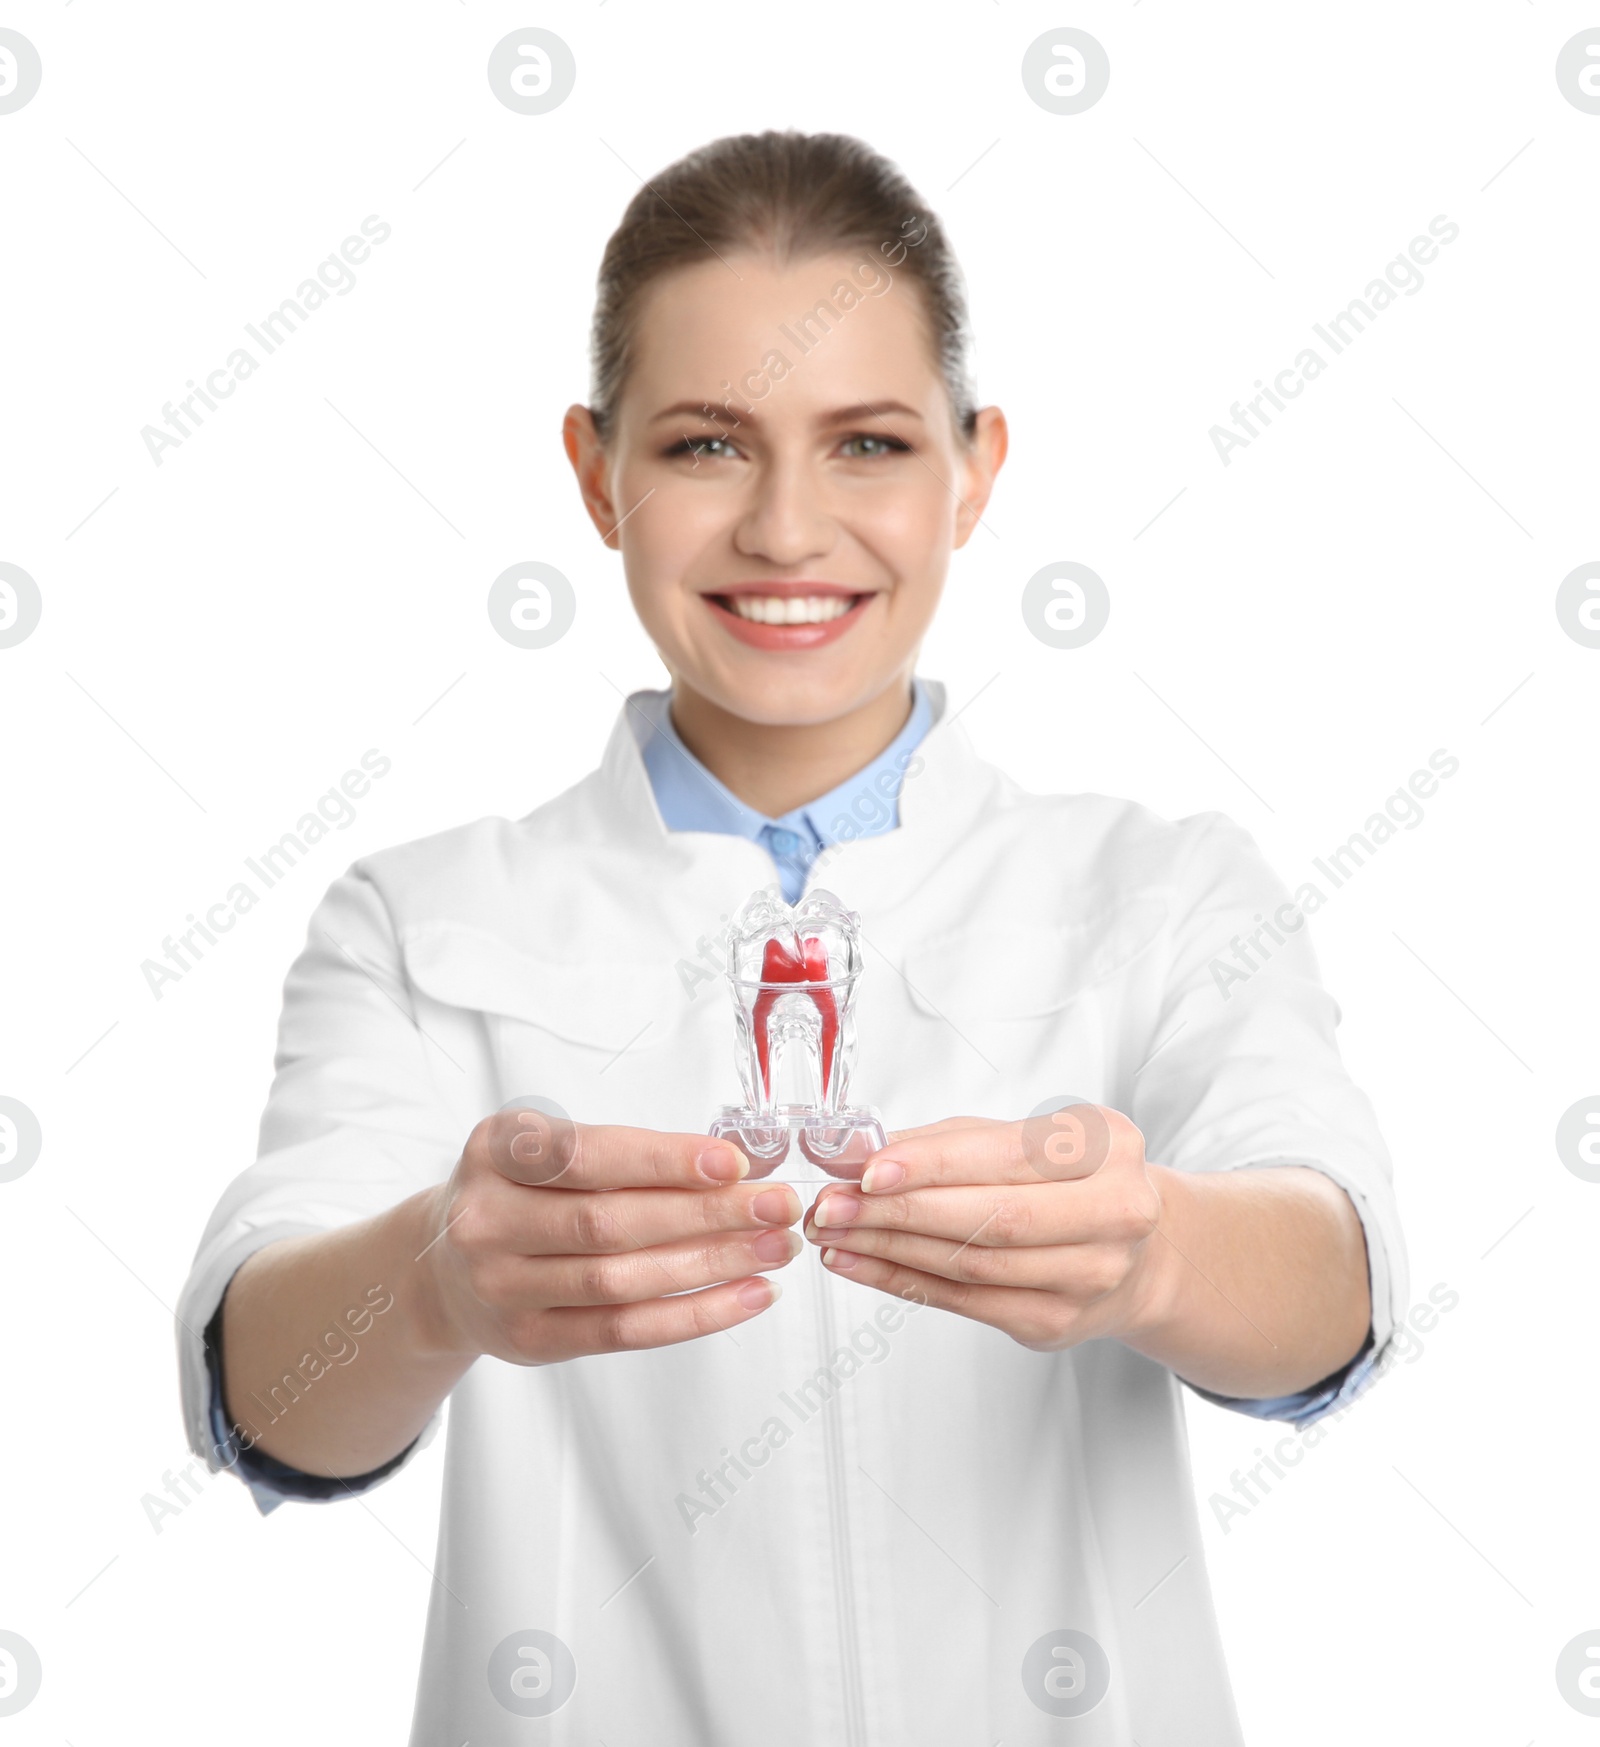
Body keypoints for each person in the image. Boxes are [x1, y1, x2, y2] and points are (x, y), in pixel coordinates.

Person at [177, 130, 1406, 1745]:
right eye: (703, 446)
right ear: (595, 470)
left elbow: (1338, 1282)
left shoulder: (1161, 891)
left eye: (869, 444)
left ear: (976, 469)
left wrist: (1155, 1248)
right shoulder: (424, 923)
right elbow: (269, 1395)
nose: (785, 527)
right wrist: (432, 1290)